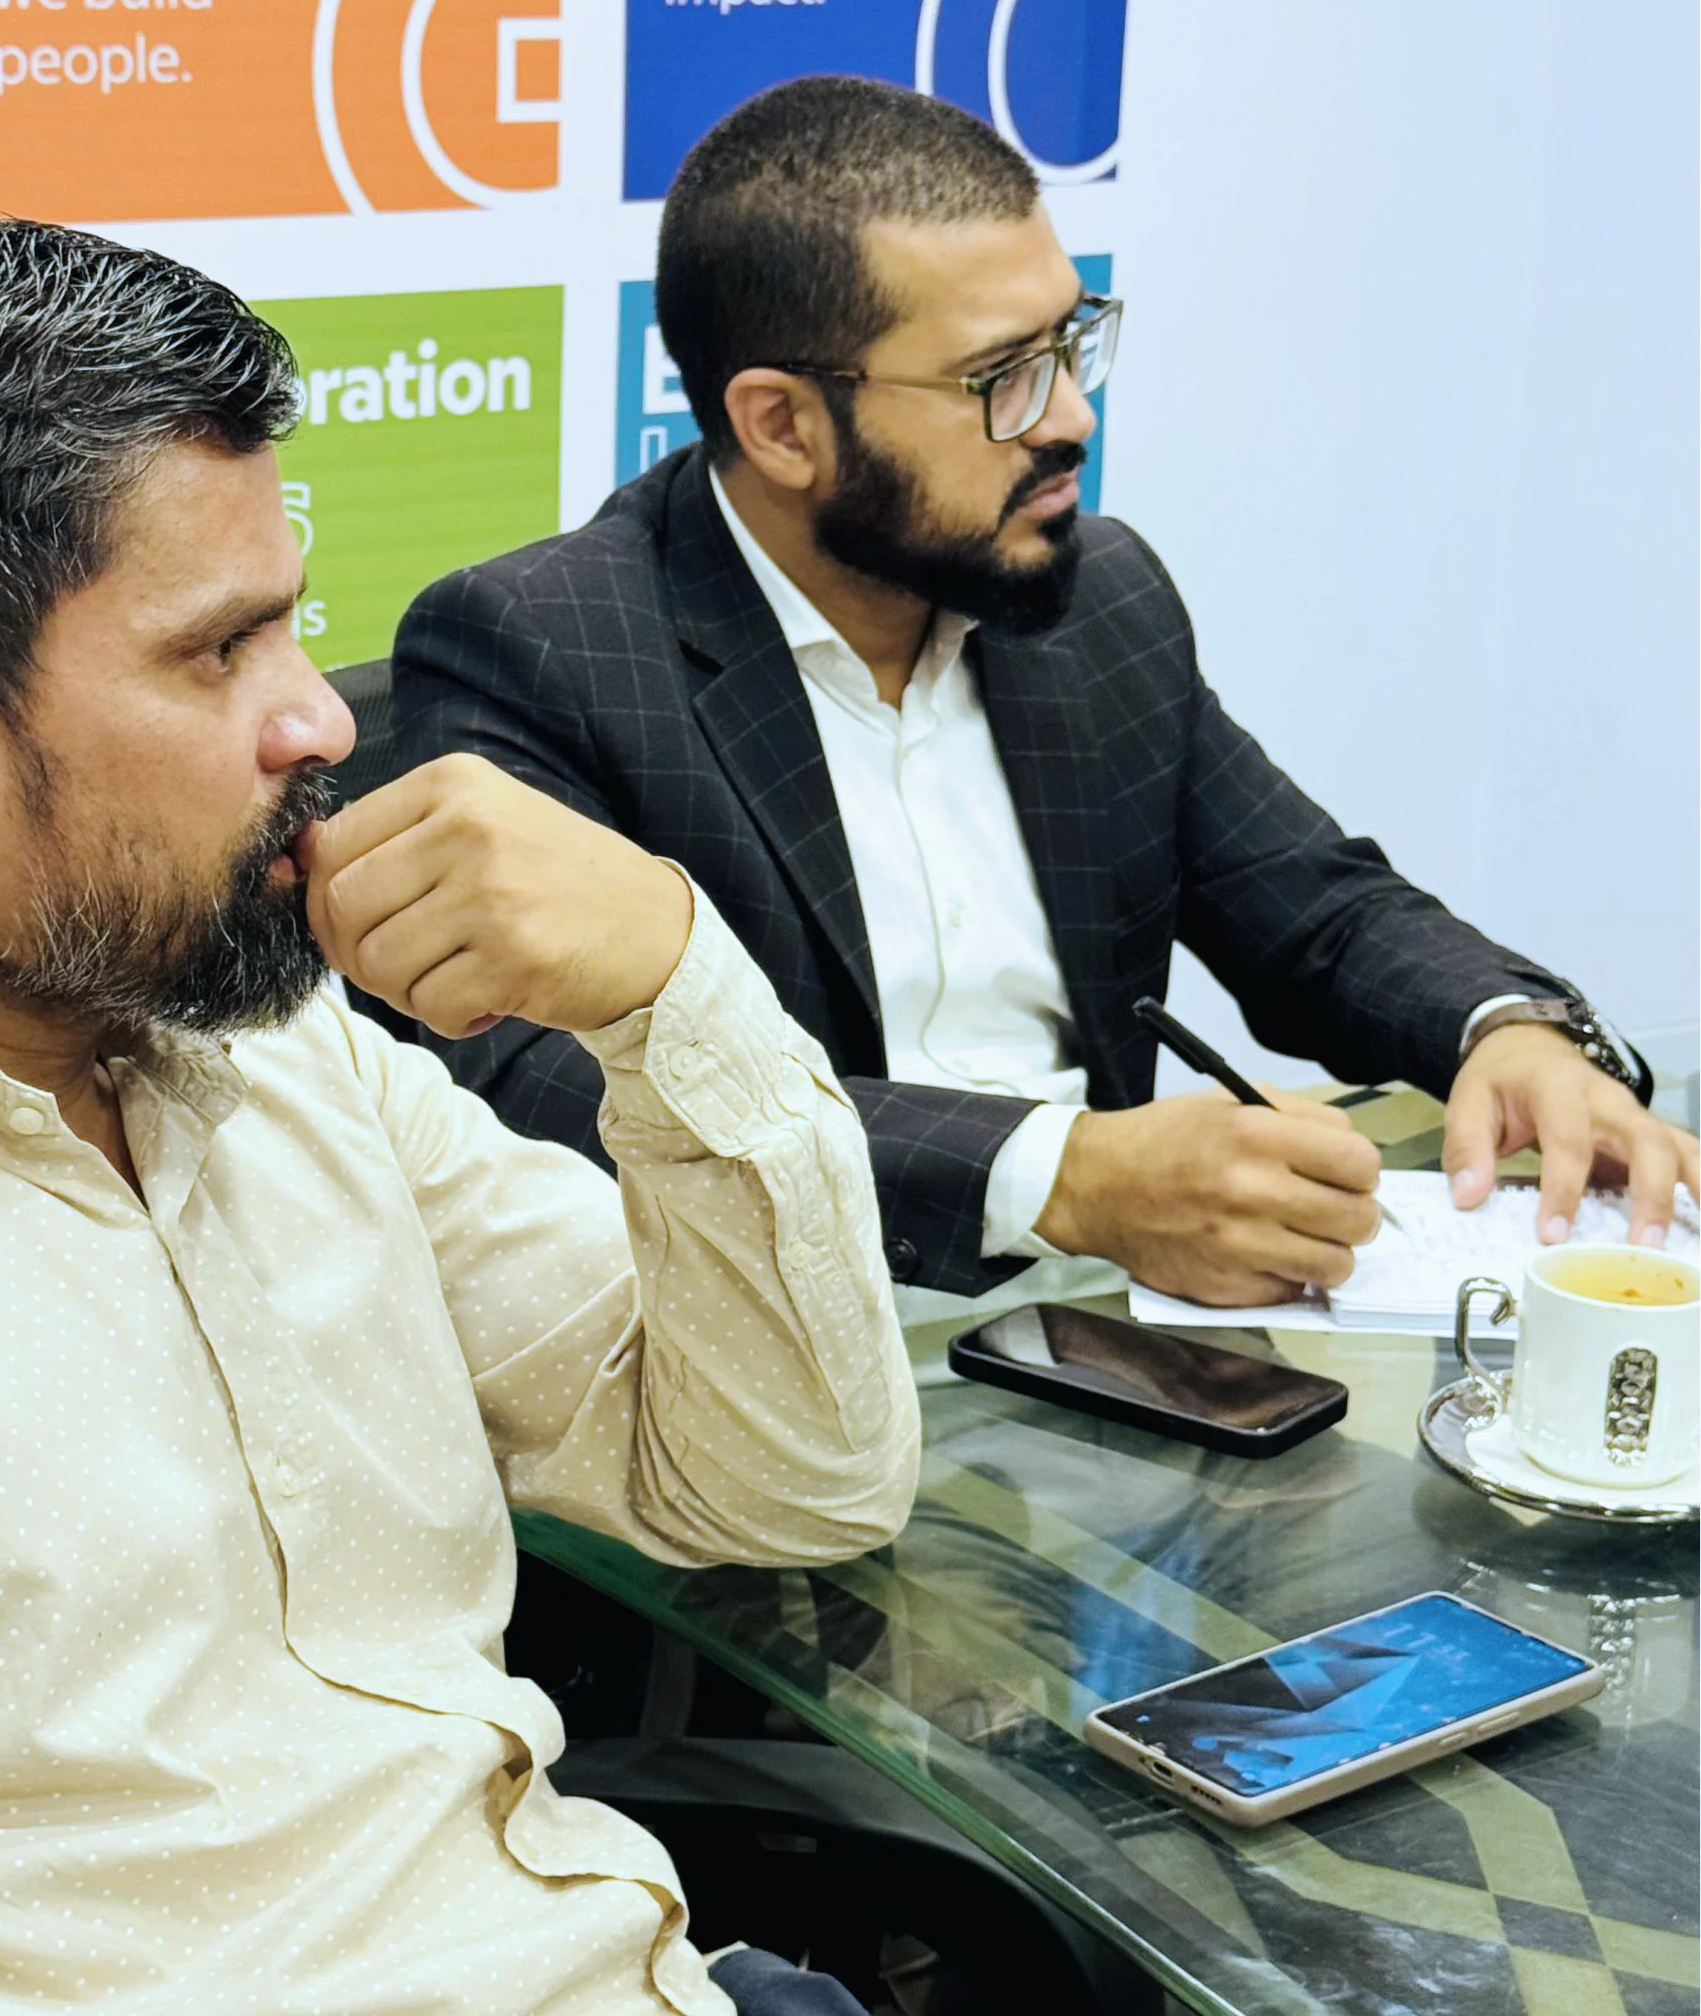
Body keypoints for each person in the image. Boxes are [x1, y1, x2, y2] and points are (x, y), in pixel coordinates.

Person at [0, 220, 1683, 2016]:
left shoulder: (270, 1062)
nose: (318, 718)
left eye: (290, 618)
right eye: (218, 654)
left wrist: (680, 993)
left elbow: (785, 1477)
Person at [388, 76, 1697, 1307]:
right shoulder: (544, 648)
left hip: (1123, 1346)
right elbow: (527, 1094)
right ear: (783, 425)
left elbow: (1313, 908)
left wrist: (1503, 1030)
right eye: (1001, 379)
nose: (1070, 416)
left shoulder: (1093, 597)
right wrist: (1059, 1177)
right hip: (773, 1365)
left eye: (1071, 343)